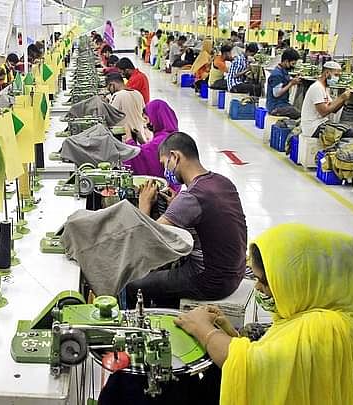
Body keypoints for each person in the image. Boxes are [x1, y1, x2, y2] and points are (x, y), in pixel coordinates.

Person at [175, 223, 353, 405]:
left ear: (299, 280)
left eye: (265, 282)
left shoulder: (326, 328)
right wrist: (227, 330)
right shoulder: (309, 313)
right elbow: (276, 357)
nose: (258, 287)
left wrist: (202, 328)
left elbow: (254, 366)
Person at [127, 132, 247, 307]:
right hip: (236, 272)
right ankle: (166, 306)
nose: (165, 171)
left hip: (210, 280)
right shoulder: (222, 182)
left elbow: (148, 238)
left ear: (175, 157)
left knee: (133, 285)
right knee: (163, 279)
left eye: (164, 164)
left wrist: (144, 204)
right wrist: (176, 205)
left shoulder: (191, 197)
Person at [122, 99, 178, 185]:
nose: (145, 123)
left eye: (146, 118)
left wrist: (129, 139)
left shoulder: (162, 140)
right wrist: (142, 141)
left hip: (164, 187)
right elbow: (151, 151)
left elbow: (140, 156)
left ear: (155, 118)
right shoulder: (172, 136)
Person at [300, 61, 351, 138]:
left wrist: (344, 100)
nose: (337, 78)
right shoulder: (317, 87)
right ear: (327, 73)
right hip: (312, 127)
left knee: (347, 129)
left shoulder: (324, 88)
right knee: (349, 133)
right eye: (336, 75)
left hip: (320, 123)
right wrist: (341, 97)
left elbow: (333, 109)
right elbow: (324, 112)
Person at [105, 73, 151, 144]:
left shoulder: (117, 96)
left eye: (109, 88)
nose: (109, 91)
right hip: (139, 135)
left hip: (125, 136)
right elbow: (143, 112)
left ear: (112, 84)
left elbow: (110, 117)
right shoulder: (137, 93)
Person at [264, 48, 302, 119]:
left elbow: (284, 81)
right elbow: (276, 94)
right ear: (286, 61)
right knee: (297, 113)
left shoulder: (283, 71)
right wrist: (291, 84)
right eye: (292, 64)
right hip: (275, 107)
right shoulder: (277, 74)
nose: (293, 66)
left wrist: (292, 80)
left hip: (282, 103)